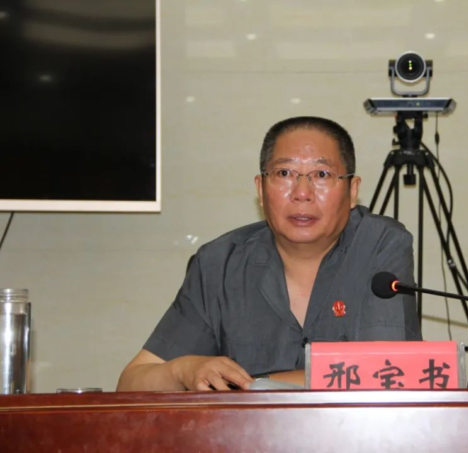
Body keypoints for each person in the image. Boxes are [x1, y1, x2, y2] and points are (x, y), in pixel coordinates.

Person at [117, 116, 420, 392]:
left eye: (322, 174)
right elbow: (132, 382)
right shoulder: (219, 263)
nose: (302, 193)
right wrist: (183, 370)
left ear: (352, 191)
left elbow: (386, 370)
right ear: (260, 189)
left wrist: (249, 386)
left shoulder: (381, 244)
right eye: (285, 173)